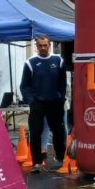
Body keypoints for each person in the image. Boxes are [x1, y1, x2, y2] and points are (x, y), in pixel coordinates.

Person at [20, 36, 67, 172]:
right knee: (35, 132)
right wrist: (31, 101)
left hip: (55, 103)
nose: (43, 48)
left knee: (58, 131)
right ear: (36, 46)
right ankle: (37, 162)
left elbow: (63, 83)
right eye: (40, 45)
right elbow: (24, 86)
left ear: (49, 45)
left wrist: (61, 97)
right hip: (38, 103)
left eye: (45, 45)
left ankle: (60, 158)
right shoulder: (30, 62)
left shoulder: (58, 60)